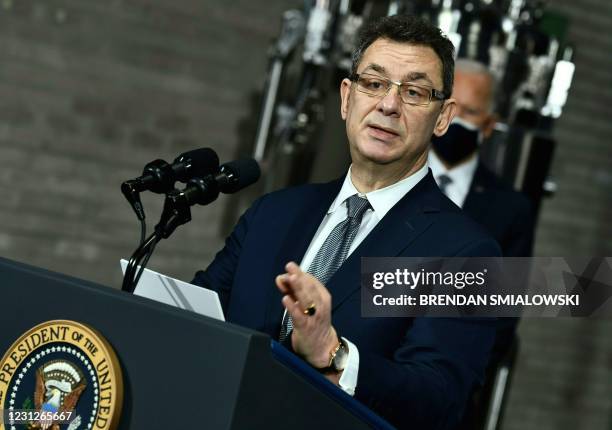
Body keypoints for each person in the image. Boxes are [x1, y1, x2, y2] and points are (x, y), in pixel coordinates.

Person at [193, 15, 501, 430]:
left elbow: (439, 399)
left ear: (443, 118)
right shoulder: (273, 213)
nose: (388, 105)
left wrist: (333, 353)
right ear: (346, 98)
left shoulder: (467, 253)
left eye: (413, 92)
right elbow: (201, 316)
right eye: (373, 84)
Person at [430, 59, 535, 258]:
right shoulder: (389, 176)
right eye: (449, 106)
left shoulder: (512, 210)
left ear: (488, 125)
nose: (455, 119)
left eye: (470, 112)